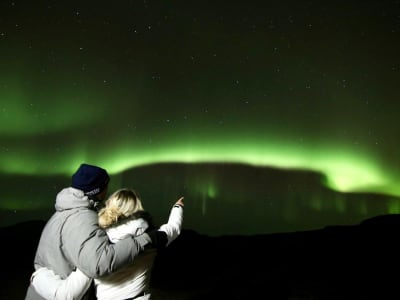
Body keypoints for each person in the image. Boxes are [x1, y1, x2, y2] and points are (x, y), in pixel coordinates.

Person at [25, 163, 168, 300]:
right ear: (98, 190)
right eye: (106, 186)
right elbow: (99, 264)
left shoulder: (61, 214)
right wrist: (146, 239)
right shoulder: (83, 218)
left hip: (41, 293)